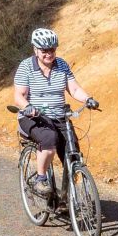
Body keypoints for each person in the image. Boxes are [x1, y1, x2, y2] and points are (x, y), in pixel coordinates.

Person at [13, 28, 98, 196]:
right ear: (35, 49)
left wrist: (87, 99)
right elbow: (19, 96)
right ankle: (41, 178)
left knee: (73, 153)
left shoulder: (62, 65)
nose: (49, 54)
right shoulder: (26, 67)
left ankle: (67, 197)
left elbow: (73, 89)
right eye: (44, 50)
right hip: (34, 117)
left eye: (52, 50)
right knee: (49, 139)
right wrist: (28, 107)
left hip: (60, 116)